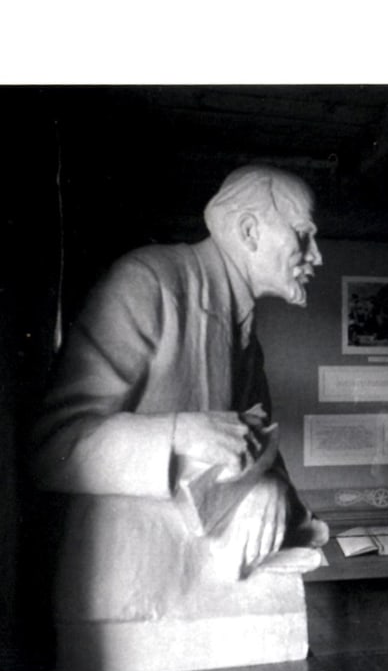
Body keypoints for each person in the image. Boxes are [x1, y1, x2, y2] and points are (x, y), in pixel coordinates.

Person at [32, 164, 329, 627]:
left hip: (204, 584)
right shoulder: (148, 283)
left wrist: (268, 485)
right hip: (131, 601)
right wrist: (180, 432)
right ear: (250, 231)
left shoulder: (246, 335)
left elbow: (258, 449)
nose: (316, 256)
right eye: (302, 235)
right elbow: (54, 445)